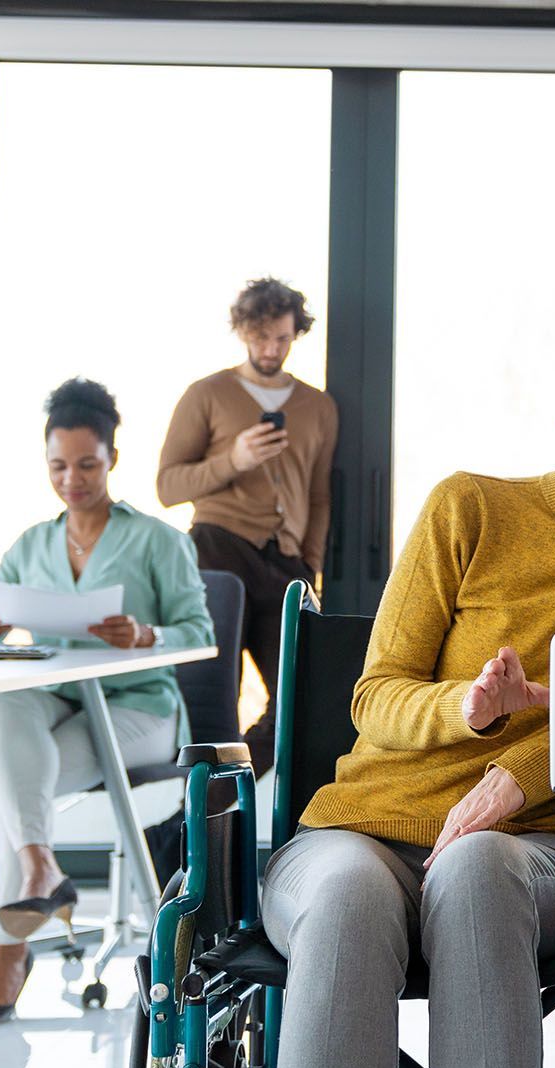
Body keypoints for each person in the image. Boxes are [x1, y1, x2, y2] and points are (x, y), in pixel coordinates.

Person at [260, 318, 555, 1068]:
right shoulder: (467, 509)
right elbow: (375, 698)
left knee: (478, 867)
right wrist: (467, 712)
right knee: (347, 894)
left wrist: (515, 778)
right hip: (359, 834)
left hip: (537, 852)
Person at [0, 378, 215, 1030]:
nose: (72, 480)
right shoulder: (32, 544)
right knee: (5, 708)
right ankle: (40, 868)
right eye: (58, 467)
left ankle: (7, 955)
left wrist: (145, 635)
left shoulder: (157, 541)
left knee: (14, 788)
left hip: (138, 712)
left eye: (87, 465)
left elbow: (200, 634)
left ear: (112, 459)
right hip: (54, 705)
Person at [158, 277, 339, 776]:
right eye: (261, 338)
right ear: (241, 331)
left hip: (286, 565)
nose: (271, 349)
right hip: (217, 550)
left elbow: (319, 495)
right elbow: (168, 486)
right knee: (213, 699)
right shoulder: (206, 395)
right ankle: (204, 810)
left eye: (282, 338)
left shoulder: (319, 408)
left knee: (301, 698)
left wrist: (310, 564)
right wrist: (234, 460)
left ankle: (214, 797)